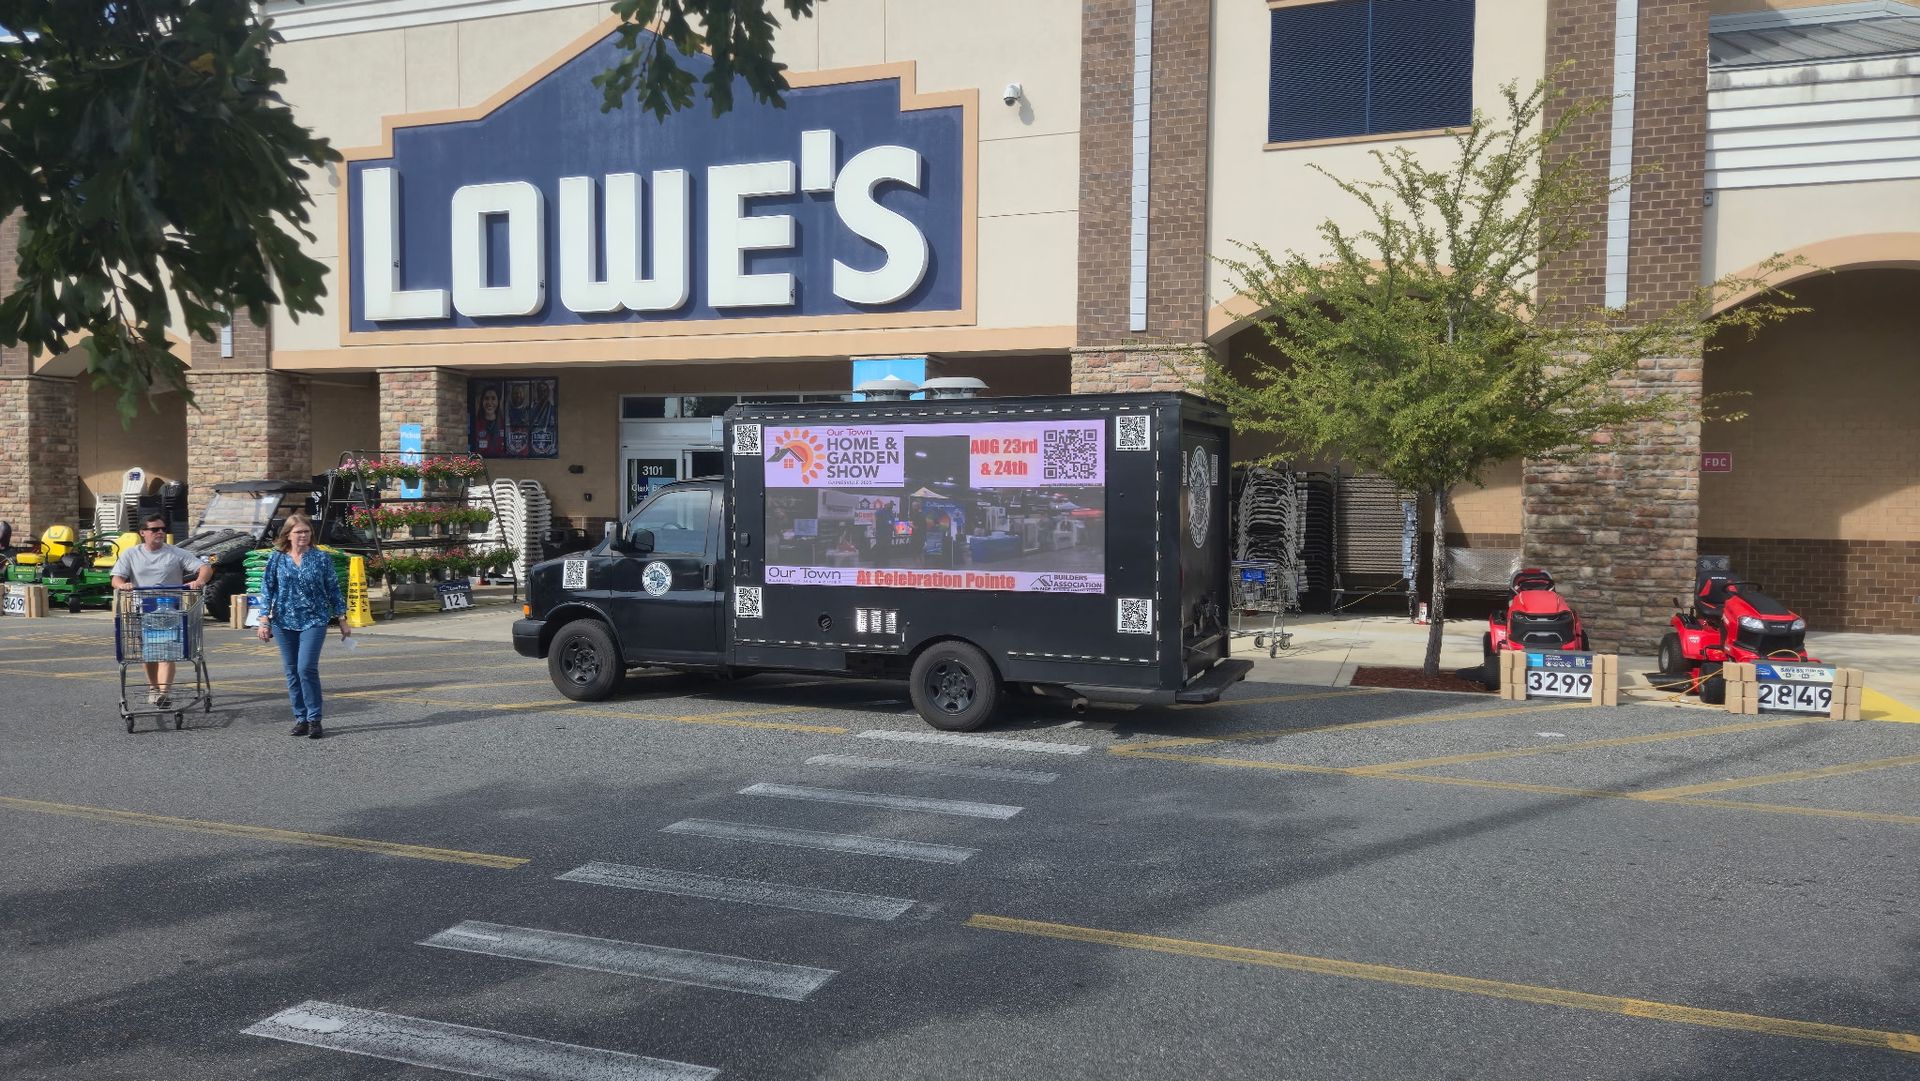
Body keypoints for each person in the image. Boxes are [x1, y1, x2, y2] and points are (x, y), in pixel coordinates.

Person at [256, 513, 349, 739]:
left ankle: (314, 719)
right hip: (284, 621)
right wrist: (263, 620)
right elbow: (267, 589)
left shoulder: (321, 558)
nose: (303, 535)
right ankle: (301, 718)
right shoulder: (277, 558)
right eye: (298, 532)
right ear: (288, 535)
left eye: (307, 531)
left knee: (306, 668)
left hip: (314, 619)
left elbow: (333, 589)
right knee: (291, 671)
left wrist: (342, 619)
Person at [110, 513, 211, 709]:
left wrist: (199, 580)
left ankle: (164, 694)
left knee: (166, 652)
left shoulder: (175, 553)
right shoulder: (131, 554)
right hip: (143, 609)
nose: (160, 532)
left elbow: (204, 567)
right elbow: (116, 578)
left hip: (170, 609)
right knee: (149, 653)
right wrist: (123, 585)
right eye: (155, 529)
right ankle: (154, 688)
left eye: (163, 529)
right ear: (142, 532)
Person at [471, 384, 505, 457]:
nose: (489, 402)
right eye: (486, 398)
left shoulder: (504, 424)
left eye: (493, 398)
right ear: (482, 401)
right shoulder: (475, 424)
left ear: (498, 401)